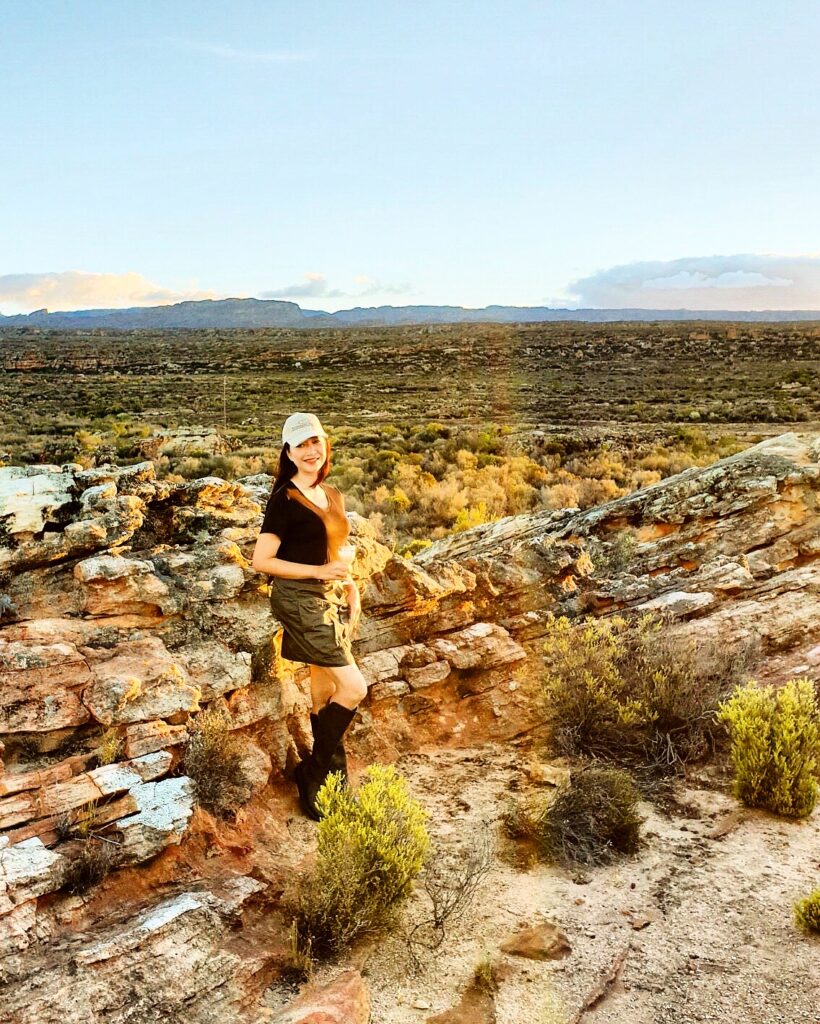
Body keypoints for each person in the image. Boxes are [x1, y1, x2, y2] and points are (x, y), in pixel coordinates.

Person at [251, 412, 368, 821]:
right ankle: (315, 772)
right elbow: (261, 560)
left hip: (331, 595)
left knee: (322, 690)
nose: (310, 451)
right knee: (353, 688)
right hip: (301, 600)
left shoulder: (331, 494)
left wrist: (349, 583)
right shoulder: (284, 500)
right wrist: (319, 572)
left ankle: (327, 787)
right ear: (288, 452)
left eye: (315, 441)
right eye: (300, 445)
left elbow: (337, 549)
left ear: (324, 444)